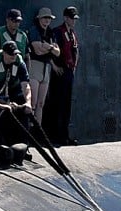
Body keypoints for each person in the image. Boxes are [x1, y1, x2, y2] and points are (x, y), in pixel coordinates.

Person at [0, 41, 33, 146]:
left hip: (13, 90)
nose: (13, 56)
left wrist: (28, 102)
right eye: (11, 54)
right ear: (4, 53)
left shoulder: (19, 61)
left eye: (15, 53)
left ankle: (21, 145)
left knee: (23, 112)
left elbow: (25, 85)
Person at [43, 6, 80, 145]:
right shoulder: (57, 32)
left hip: (69, 72)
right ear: (65, 18)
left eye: (75, 18)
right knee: (55, 103)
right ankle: (53, 135)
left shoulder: (72, 34)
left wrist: (74, 68)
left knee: (66, 105)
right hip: (59, 71)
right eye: (71, 18)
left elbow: (75, 51)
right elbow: (50, 49)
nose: (73, 21)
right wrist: (54, 65)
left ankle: (64, 136)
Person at [28, 7, 60, 124]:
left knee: (41, 103)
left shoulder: (51, 32)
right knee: (33, 102)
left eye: (49, 18)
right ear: (39, 18)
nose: (47, 20)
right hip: (34, 66)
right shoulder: (34, 31)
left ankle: (38, 130)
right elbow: (37, 50)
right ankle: (29, 130)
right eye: (45, 18)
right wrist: (50, 49)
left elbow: (58, 52)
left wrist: (48, 47)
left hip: (46, 68)